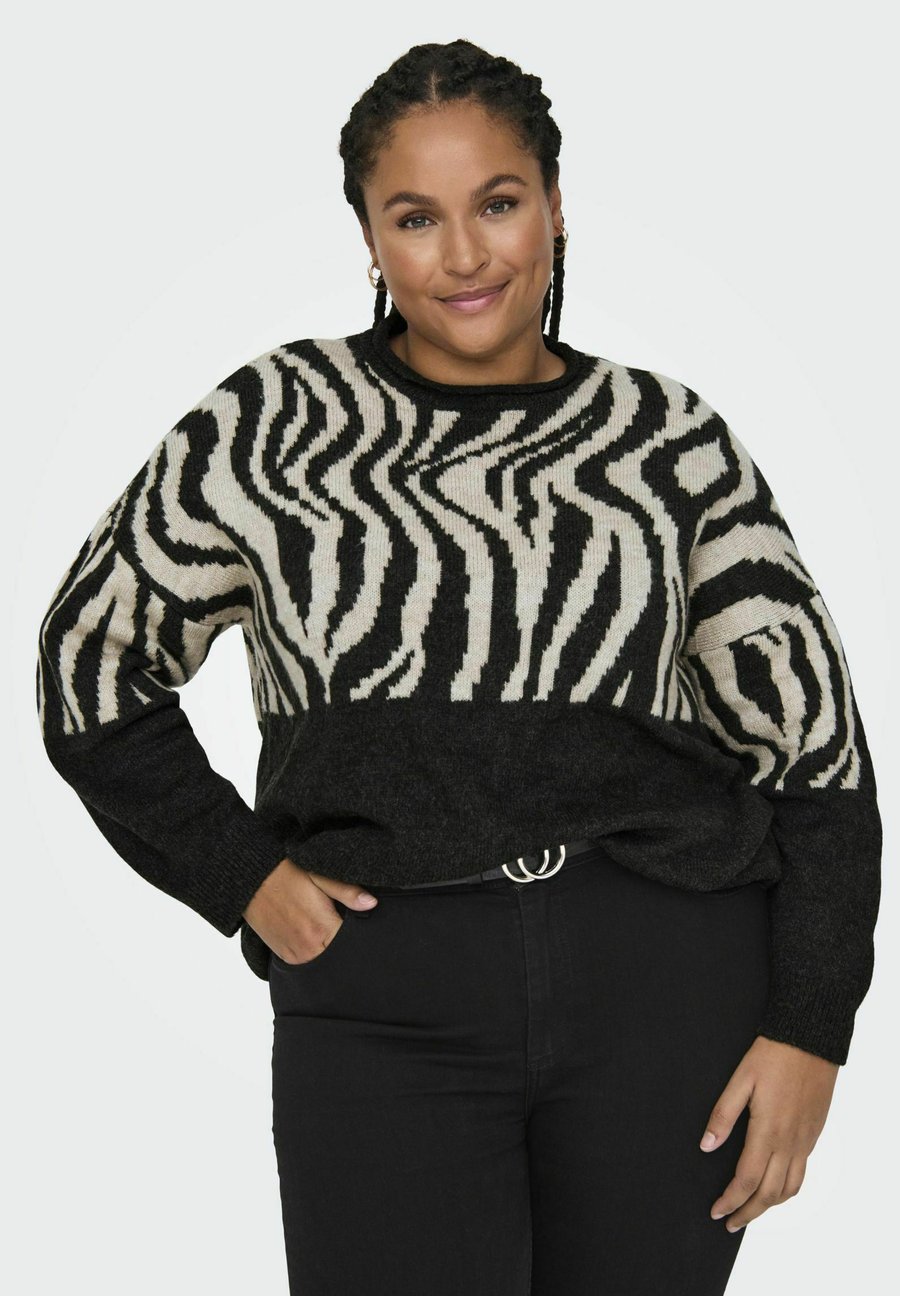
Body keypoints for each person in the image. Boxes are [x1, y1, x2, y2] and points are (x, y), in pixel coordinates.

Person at [35, 37, 882, 1296]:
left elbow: (819, 758)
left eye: (498, 203)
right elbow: (91, 665)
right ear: (370, 238)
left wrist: (812, 1025)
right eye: (416, 217)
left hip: (666, 983)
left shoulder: (668, 442)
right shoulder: (271, 426)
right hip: (385, 995)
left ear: (555, 205)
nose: (466, 255)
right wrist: (240, 874)